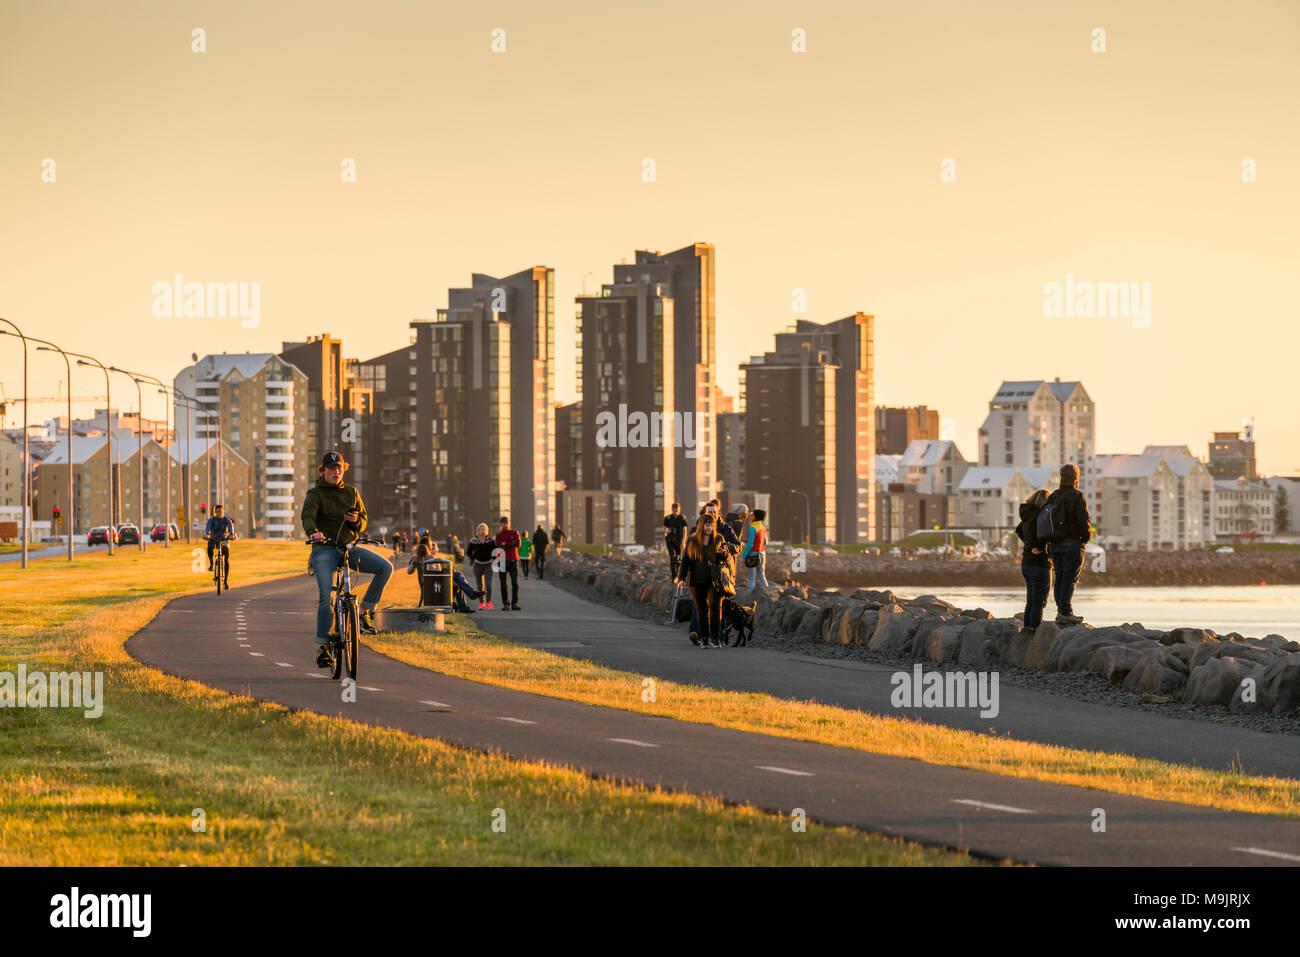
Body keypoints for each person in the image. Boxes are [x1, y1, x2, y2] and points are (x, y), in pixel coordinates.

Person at [302, 450, 393, 668]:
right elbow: (307, 516)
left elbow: (363, 520)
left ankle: (362, 612)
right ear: (323, 471)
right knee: (326, 596)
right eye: (332, 468)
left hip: (349, 548)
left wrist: (355, 521)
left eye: (339, 468)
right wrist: (313, 532)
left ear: (344, 470)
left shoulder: (352, 492)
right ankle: (323, 648)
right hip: (324, 550)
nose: (336, 471)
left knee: (385, 567)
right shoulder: (315, 494)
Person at [675, 512, 738, 648]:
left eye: (711, 525)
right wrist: (682, 578)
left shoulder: (719, 538)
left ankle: (715, 639)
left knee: (716, 609)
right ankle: (704, 639)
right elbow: (686, 561)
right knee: (702, 610)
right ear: (701, 526)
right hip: (697, 580)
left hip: (715, 580)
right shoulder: (692, 540)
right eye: (707, 525)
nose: (709, 528)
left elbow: (726, 559)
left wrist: (725, 553)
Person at [1045, 463, 1091, 626]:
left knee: (1060, 577)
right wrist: (1086, 537)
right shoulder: (1077, 496)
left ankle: (1061, 612)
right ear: (1075, 478)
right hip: (1072, 542)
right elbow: (1082, 519)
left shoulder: (1054, 496)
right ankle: (1066, 612)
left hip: (1054, 543)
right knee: (1070, 579)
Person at [1014, 489, 1052, 634]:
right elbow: (1046, 535)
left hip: (1026, 562)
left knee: (1031, 600)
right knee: (1039, 601)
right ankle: (1034, 630)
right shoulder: (1041, 516)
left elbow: (1019, 531)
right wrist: (1041, 548)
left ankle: (1027, 627)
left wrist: (1029, 544)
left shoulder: (1027, 514)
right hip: (1040, 562)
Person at [204, 503, 236, 588]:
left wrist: (232, 534)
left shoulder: (227, 520)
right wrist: (207, 534)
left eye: (220, 511)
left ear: (223, 511)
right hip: (214, 539)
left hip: (224, 539)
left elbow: (231, 527)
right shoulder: (212, 520)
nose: (219, 513)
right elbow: (208, 527)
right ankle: (211, 563)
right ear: (215, 512)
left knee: (226, 558)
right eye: (217, 512)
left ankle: (225, 581)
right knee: (209, 546)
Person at [467, 523, 496, 610]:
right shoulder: (474, 540)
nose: (482, 531)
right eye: (481, 529)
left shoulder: (490, 540)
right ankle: (481, 603)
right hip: (478, 565)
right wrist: (473, 559)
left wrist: (493, 559)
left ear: (487, 531)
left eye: (484, 529)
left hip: (488, 564)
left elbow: (496, 550)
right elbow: (468, 552)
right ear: (478, 531)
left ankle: (489, 602)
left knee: (488, 584)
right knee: (480, 585)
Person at [495, 516, 521, 610]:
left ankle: (515, 604)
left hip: (513, 560)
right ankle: (505, 604)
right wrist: (511, 544)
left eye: (507, 522)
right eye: (503, 523)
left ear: (509, 523)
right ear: (500, 524)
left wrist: (505, 544)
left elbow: (518, 544)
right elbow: (498, 546)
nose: (505, 524)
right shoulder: (498, 535)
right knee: (503, 584)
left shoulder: (515, 533)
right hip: (502, 561)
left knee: (515, 583)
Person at [741, 508, 768, 590]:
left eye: (752, 515)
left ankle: (750, 595)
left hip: (753, 554)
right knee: (761, 575)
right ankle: (767, 591)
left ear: (755, 517)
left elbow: (750, 544)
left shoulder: (752, 528)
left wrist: (744, 555)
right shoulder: (763, 528)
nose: (750, 515)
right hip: (763, 553)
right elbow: (765, 542)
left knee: (751, 577)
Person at [662, 502, 687, 580]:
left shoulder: (682, 518)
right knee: (672, 558)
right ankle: (674, 577)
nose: (676, 512)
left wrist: (683, 542)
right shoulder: (668, 518)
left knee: (678, 559)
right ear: (672, 509)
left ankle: (678, 574)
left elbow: (685, 531)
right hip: (670, 541)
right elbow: (664, 528)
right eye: (674, 510)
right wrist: (667, 530)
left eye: (677, 510)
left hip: (679, 541)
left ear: (679, 510)